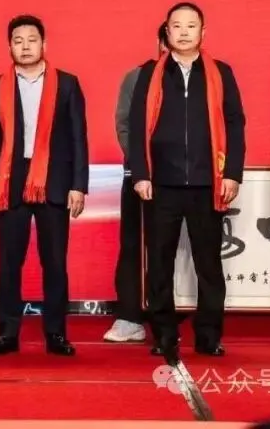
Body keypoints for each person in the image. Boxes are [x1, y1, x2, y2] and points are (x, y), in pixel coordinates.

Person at [129, 2, 246, 364]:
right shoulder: (149, 74)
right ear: (166, 32)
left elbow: (235, 125)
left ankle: (209, 336)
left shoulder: (220, 73)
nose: (183, 32)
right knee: (159, 264)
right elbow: (136, 126)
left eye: (190, 26)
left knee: (208, 264)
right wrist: (141, 174)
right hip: (161, 184)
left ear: (202, 32)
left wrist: (232, 173)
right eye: (176, 26)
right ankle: (164, 335)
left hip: (206, 183)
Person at [0, 15, 89, 356]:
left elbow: (78, 137)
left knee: (54, 263)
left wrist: (78, 185)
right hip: (10, 181)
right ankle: (7, 334)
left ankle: (56, 334)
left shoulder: (67, 84)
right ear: (9, 46)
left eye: (32, 40)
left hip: (54, 181)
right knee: (8, 264)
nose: (25, 46)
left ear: (44, 44)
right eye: (18, 41)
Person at [103, 23, 169, 343]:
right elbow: (124, 125)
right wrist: (143, 167)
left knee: (171, 250)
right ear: (160, 42)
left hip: (184, 182)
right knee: (133, 247)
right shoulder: (137, 77)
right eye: (169, 36)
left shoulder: (205, 79)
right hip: (141, 178)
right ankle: (130, 317)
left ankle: (167, 319)